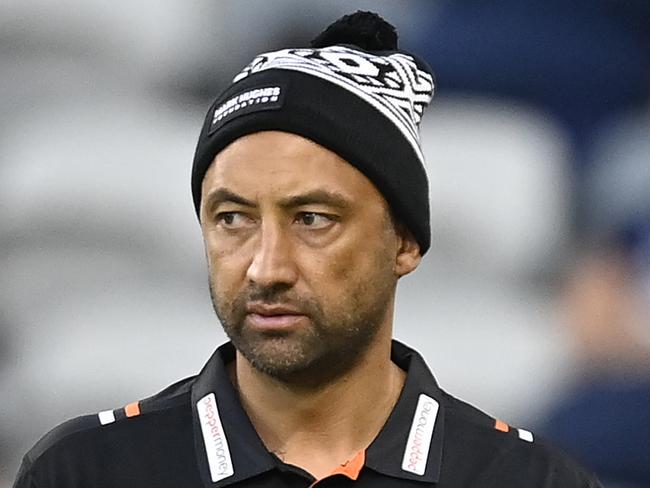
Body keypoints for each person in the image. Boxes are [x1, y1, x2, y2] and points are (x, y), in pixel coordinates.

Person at [13, 11, 602, 488]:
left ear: (404, 242)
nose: (266, 267)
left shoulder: (532, 479)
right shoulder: (85, 471)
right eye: (233, 218)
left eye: (313, 218)